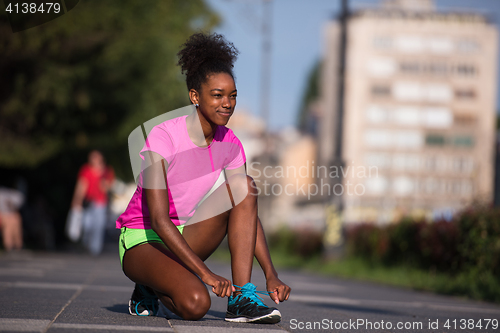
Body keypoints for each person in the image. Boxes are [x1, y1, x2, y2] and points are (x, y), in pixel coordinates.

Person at [116, 32, 291, 323]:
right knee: (196, 304)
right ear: (195, 96)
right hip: (143, 238)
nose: (227, 103)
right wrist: (204, 273)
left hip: (186, 233)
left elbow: (246, 210)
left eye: (232, 95)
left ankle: (241, 297)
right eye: (217, 95)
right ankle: (149, 283)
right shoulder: (164, 137)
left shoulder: (231, 144)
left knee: (245, 188)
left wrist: (271, 275)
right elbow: (159, 219)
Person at [71, 150, 115, 255]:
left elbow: (110, 186)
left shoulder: (107, 171)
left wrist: (105, 185)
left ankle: (95, 249)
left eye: (95, 157)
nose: (92, 159)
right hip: (88, 202)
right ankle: (86, 243)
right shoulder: (86, 169)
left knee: (98, 226)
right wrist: (76, 200)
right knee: (87, 224)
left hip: (101, 203)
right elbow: (81, 185)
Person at [0, 187, 24, 252]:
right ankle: (9, 247)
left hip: (14, 214)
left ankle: (18, 246)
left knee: (16, 229)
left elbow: (17, 206)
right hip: (3, 214)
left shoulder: (17, 194)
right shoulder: (1, 192)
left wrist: (10, 204)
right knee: (7, 230)